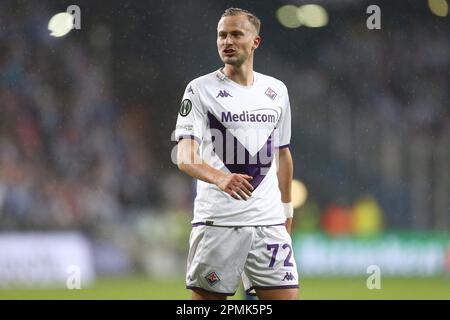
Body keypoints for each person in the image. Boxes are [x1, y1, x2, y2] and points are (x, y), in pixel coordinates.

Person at [174, 7, 298, 300]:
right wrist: (220, 178)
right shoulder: (200, 90)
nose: (226, 41)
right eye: (222, 35)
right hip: (220, 224)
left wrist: (287, 212)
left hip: (268, 225)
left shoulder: (276, 91)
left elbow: (282, 155)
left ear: (255, 41)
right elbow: (184, 156)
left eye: (235, 34)